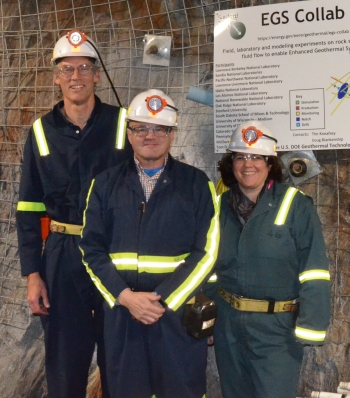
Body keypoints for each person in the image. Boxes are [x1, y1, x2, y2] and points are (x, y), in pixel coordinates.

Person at [79, 89, 220, 398]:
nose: (150, 135)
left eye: (160, 128)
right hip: (123, 317)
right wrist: (127, 298)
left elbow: (207, 252)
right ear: (129, 134)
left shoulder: (197, 184)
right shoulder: (104, 184)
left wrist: (163, 301)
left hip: (177, 317)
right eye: (141, 127)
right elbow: (91, 250)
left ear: (172, 134)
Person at [16, 30, 132, 398]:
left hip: (116, 253)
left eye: (84, 67)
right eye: (67, 69)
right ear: (56, 77)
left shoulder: (125, 124)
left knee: (119, 356)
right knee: (65, 361)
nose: (76, 76)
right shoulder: (40, 132)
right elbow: (29, 208)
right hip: (63, 257)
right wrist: (33, 275)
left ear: (97, 75)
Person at [207, 120, 331, 398]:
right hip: (228, 324)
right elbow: (209, 267)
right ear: (231, 163)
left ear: (270, 162)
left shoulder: (296, 205)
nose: (248, 164)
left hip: (277, 330)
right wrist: (209, 315)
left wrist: (311, 325)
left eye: (256, 157)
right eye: (240, 156)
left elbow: (314, 270)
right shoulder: (218, 208)